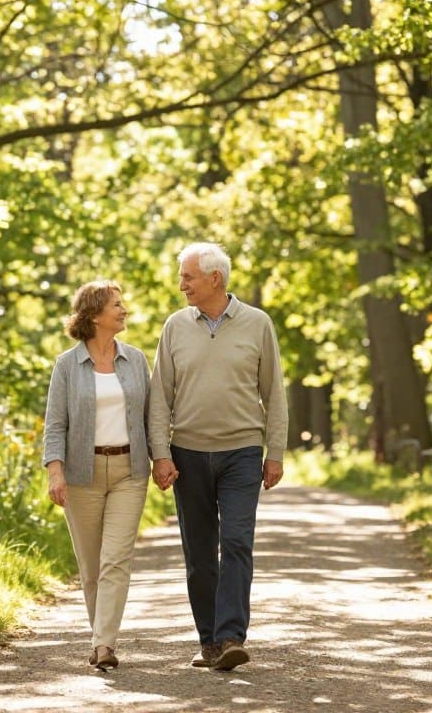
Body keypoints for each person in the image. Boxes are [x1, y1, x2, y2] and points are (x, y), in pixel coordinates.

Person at [148, 242, 287, 671]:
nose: (181, 284)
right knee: (200, 552)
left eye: (188, 276)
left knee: (237, 541)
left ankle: (230, 637)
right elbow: (159, 397)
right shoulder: (174, 326)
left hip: (242, 452)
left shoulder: (257, 324)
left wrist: (275, 451)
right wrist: (160, 453)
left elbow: (273, 392)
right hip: (187, 452)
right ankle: (208, 641)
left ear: (215, 278)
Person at [43, 280, 152, 671]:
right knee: (91, 568)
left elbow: (151, 418)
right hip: (81, 473)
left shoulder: (136, 360)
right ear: (92, 315)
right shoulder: (67, 365)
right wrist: (55, 472)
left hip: (129, 471)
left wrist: (165, 459)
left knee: (115, 560)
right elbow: (55, 425)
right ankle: (99, 639)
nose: (124, 310)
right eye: (116, 305)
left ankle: (104, 644)